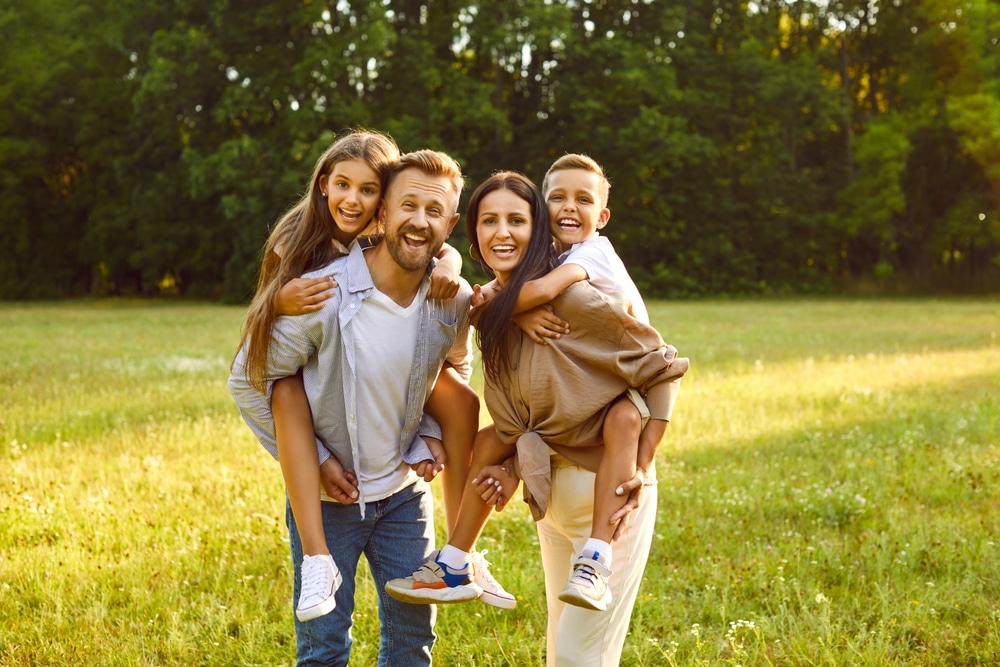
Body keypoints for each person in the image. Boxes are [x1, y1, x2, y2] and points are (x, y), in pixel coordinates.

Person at [386, 172, 687, 665]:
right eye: (489, 221)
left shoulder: (573, 296)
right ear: (474, 233)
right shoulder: (492, 308)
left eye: (516, 221)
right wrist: (511, 470)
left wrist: (642, 463)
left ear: (539, 228)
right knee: (557, 652)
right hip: (552, 504)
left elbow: (662, 365)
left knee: (577, 659)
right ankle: (457, 560)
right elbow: (546, 413)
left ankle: (463, 559)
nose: (502, 232)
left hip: (610, 504)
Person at [232, 130, 492, 623]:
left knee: (413, 639)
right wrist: (281, 300)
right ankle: (318, 559)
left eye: (367, 189)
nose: (352, 200)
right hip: (333, 493)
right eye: (343, 186)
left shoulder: (444, 292)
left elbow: (454, 362)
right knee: (325, 645)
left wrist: (429, 434)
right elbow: (250, 373)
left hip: (402, 496)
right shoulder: (301, 250)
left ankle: (461, 556)